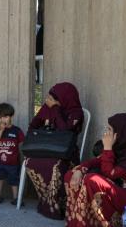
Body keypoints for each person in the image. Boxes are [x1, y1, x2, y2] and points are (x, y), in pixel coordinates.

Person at [65, 112, 126, 227]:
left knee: (92, 179)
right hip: (116, 190)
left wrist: (107, 148)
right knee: (71, 175)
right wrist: (79, 170)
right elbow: (94, 161)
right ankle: (79, 221)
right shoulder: (119, 147)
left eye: (110, 130)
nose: (106, 134)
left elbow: (110, 173)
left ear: (122, 133)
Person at [25, 82, 84, 220]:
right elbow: (33, 125)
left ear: (64, 98)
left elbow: (65, 132)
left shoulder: (76, 113)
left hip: (66, 153)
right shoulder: (48, 107)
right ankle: (46, 201)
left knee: (54, 166)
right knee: (30, 162)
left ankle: (57, 205)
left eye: (53, 98)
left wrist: (56, 109)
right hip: (48, 148)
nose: (49, 100)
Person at [0, 103, 24, 205]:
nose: (2, 120)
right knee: (0, 178)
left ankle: (16, 198)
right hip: (0, 162)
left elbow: (22, 144)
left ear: (11, 117)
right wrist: (1, 130)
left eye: (5, 117)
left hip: (13, 162)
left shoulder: (16, 131)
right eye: (0, 117)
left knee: (14, 180)